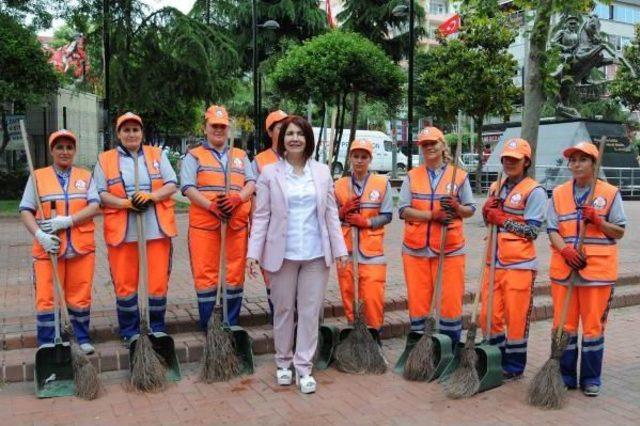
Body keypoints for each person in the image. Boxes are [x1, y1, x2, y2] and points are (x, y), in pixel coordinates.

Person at [246, 115, 348, 394]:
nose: (294, 138)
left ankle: (304, 367)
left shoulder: (323, 172)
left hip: (316, 254)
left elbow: (331, 215)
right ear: (281, 140)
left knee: (309, 312)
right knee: (283, 310)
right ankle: (282, 363)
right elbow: (262, 216)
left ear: (308, 140)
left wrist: (340, 250)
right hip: (282, 254)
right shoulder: (269, 174)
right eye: (289, 133)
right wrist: (253, 254)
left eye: (300, 134)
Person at [547, 141, 626, 397]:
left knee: (593, 328)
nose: (577, 164)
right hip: (565, 270)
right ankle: (566, 376)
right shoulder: (558, 193)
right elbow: (552, 229)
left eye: (583, 159)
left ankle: (591, 379)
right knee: (564, 326)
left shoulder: (611, 193)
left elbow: (620, 230)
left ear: (594, 163)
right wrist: (565, 251)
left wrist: (598, 220)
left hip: (597, 274)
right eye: (573, 160)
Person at [94, 112, 178, 345]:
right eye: (126, 130)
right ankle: (130, 331)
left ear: (142, 133)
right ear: (119, 134)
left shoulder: (157, 155)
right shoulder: (106, 159)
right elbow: (99, 193)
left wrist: (151, 196)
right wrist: (125, 203)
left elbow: (171, 184)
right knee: (125, 283)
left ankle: (156, 327)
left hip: (156, 229)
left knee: (157, 281)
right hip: (123, 232)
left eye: (135, 130)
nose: (131, 134)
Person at [20, 130, 100, 354]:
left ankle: (80, 337)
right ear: (52, 150)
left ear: (74, 151)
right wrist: (40, 236)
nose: (65, 151)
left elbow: (95, 206)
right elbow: (25, 210)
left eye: (69, 147)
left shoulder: (86, 176)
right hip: (48, 250)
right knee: (47, 296)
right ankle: (48, 341)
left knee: (80, 295)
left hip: (81, 249)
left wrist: (68, 221)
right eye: (60, 147)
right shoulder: (38, 177)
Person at [398, 127, 476, 346]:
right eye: (424, 144)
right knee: (419, 302)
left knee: (450, 301)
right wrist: (432, 215)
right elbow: (403, 210)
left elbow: (470, 209)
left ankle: (449, 348)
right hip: (415, 250)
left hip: (449, 249)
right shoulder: (412, 176)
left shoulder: (459, 176)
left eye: (433, 143)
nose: (429, 147)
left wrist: (457, 207)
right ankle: (421, 348)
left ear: (443, 145)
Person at [180, 105, 255, 330]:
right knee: (206, 275)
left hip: (235, 225)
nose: (219, 130)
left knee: (233, 274)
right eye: (214, 126)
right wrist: (211, 206)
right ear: (206, 128)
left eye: (223, 126)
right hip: (205, 227)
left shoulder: (240, 155)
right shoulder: (194, 156)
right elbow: (187, 187)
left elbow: (251, 183)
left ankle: (230, 323)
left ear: (229, 129)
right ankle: (210, 326)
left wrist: (238, 199)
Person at [480, 138, 547, 380]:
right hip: (493, 262)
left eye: (515, 159)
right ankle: (495, 356)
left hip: (519, 264)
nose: (509, 163)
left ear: (526, 161)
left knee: (516, 318)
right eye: (506, 159)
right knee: (487, 315)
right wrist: (486, 211)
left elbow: (532, 232)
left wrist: (502, 219)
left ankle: (514, 365)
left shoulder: (535, 191)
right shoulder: (496, 186)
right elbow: (488, 222)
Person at [334, 139, 392, 331]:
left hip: (372, 252)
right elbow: (330, 217)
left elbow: (387, 215)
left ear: (370, 159)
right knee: (349, 296)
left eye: (364, 157)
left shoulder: (381, 183)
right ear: (350, 158)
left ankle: (374, 338)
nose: (359, 161)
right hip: (346, 251)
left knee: (372, 297)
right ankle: (354, 337)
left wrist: (366, 222)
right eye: (356, 156)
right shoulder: (339, 185)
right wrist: (341, 213)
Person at [251, 109, 288, 320]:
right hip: (271, 230)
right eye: (280, 127)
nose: (285, 132)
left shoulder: (298, 157)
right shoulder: (260, 161)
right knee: (273, 275)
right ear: (270, 132)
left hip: (294, 230)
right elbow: (255, 201)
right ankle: (279, 320)